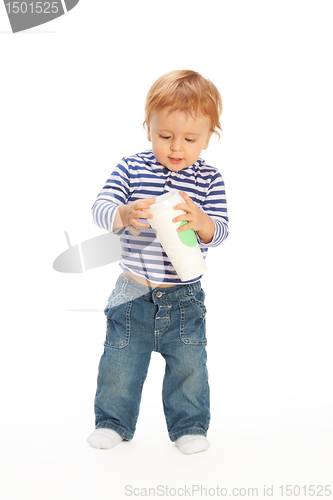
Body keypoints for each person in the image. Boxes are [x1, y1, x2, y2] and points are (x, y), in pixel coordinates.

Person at [86, 70, 229, 454]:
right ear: (148, 128)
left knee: (189, 364)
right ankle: (113, 422)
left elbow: (221, 230)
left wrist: (202, 223)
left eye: (189, 138)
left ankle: (189, 427)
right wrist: (124, 213)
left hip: (183, 294)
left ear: (209, 137)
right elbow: (100, 207)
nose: (176, 147)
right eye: (165, 136)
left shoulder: (210, 180)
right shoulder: (131, 168)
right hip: (133, 288)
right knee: (120, 361)